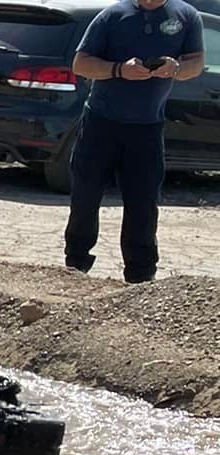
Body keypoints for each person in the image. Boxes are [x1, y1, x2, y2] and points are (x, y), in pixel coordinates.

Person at [65, 0, 204, 283]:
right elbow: (81, 64)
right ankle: (75, 264)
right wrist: (119, 70)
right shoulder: (113, 15)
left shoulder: (187, 16)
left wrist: (175, 68)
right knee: (85, 195)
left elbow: (196, 64)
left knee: (143, 202)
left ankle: (140, 276)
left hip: (147, 127)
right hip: (101, 123)